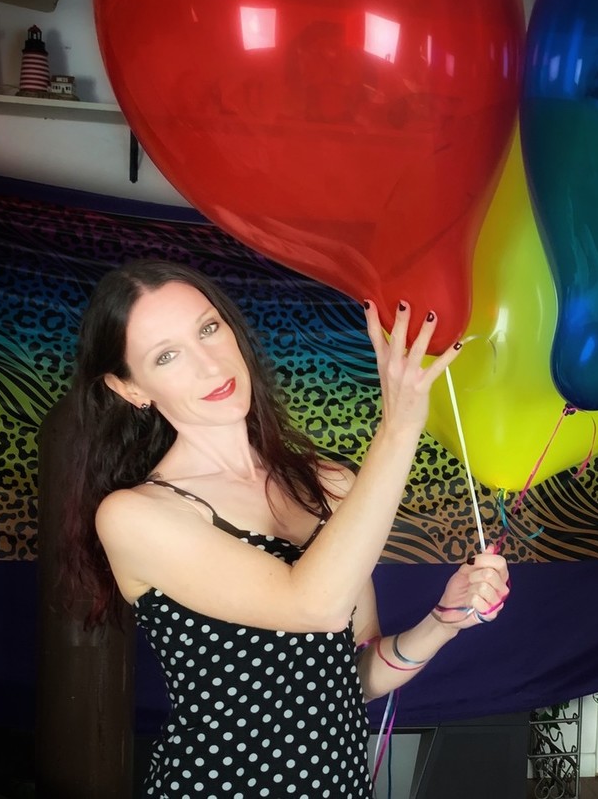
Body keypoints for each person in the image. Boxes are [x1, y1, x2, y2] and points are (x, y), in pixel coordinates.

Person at [58, 259, 510, 798]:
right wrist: (399, 430)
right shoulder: (136, 515)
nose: (209, 364)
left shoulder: (330, 485)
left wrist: (444, 620)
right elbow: (313, 606)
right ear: (130, 388)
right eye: (167, 355)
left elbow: (354, 674)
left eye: (208, 328)